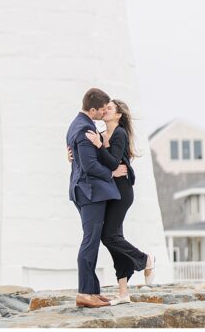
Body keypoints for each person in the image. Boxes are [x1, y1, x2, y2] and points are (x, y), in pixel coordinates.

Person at [84, 99, 155, 303]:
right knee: (114, 238)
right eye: (104, 108)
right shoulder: (100, 134)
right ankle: (123, 292)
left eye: (110, 109)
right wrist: (71, 155)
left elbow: (114, 162)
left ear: (118, 115)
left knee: (109, 237)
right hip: (108, 190)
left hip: (122, 191)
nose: (105, 111)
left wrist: (99, 146)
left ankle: (146, 259)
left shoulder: (119, 134)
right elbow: (97, 161)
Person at [66, 88, 127, 309]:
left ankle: (92, 290)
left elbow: (82, 159)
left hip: (84, 189)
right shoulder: (84, 129)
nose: (103, 113)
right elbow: (90, 165)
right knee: (90, 240)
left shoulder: (78, 124)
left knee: (91, 239)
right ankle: (84, 292)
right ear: (92, 109)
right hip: (89, 191)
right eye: (102, 110)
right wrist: (111, 172)